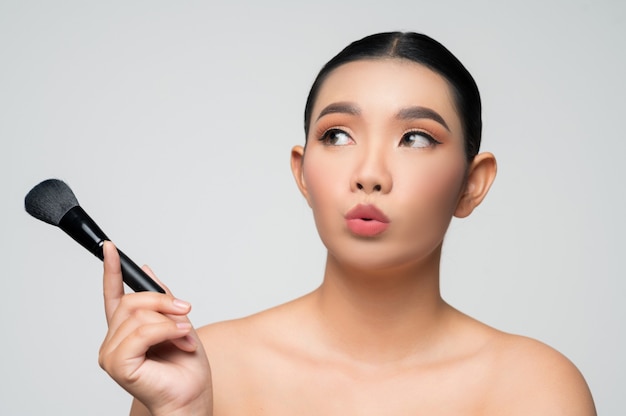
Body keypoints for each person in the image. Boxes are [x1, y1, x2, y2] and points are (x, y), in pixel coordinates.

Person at [99, 32, 596, 415]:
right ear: (302, 172)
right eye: (337, 135)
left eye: (416, 138)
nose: (370, 175)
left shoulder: (536, 389)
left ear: (473, 183)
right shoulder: (208, 368)